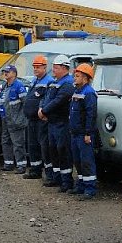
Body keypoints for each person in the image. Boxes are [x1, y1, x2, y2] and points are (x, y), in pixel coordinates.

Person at [38, 54, 75, 191]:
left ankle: (66, 182)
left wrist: (44, 111)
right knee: (53, 150)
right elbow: (46, 97)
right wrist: (42, 109)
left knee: (63, 151)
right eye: (53, 67)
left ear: (65, 68)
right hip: (52, 122)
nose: (53, 70)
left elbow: (58, 101)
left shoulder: (68, 84)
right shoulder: (54, 82)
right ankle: (56, 178)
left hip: (62, 123)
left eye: (56, 68)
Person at [67, 63, 98, 200]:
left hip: (83, 135)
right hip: (75, 133)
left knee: (86, 162)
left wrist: (87, 133)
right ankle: (81, 185)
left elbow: (91, 114)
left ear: (85, 78)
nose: (74, 78)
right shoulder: (77, 91)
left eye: (77, 76)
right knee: (78, 161)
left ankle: (90, 189)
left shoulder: (89, 93)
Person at [23, 55, 54, 183]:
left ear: (45, 67)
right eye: (34, 67)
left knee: (44, 147)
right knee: (32, 145)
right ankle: (35, 170)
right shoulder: (34, 81)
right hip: (31, 119)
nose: (35, 69)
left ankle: (49, 173)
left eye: (38, 67)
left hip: (41, 120)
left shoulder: (49, 81)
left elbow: (46, 99)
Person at [0, 65, 28, 173]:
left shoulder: (19, 86)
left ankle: (21, 165)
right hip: (5, 119)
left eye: (8, 72)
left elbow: (26, 103)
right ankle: (8, 163)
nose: (5, 73)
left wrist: (21, 118)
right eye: (4, 71)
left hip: (16, 120)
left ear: (14, 73)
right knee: (5, 141)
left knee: (18, 143)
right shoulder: (4, 85)